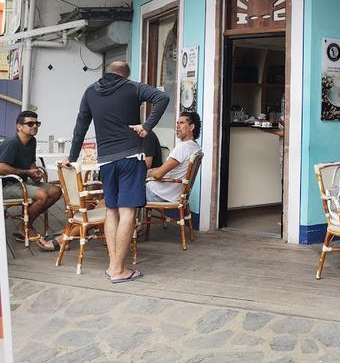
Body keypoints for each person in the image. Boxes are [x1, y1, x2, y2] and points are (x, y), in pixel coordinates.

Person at [64, 61, 169, 284]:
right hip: (131, 157)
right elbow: (163, 98)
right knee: (128, 212)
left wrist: (72, 157)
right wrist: (147, 126)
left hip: (106, 161)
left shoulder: (91, 91)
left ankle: (113, 266)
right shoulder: (132, 87)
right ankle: (119, 270)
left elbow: (80, 125)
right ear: (125, 75)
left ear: (108, 72)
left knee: (111, 211)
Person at [0, 111, 62, 251]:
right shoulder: (11, 143)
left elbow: (30, 164)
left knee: (56, 191)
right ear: (19, 127)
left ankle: (27, 222)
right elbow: (1, 168)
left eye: (37, 123)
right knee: (42, 195)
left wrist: (34, 172)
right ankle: (25, 227)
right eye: (30, 123)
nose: (34, 126)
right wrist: (26, 172)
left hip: (22, 183)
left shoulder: (31, 141)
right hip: (5, 185)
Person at [146, 112, 201, 203]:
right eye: (177, 123)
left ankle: (125, 217)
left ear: (191, 127)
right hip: (173, 194)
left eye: (182, 123)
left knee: (121, 191)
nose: (177, 126)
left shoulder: (183, 147)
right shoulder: (195, 147)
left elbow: (159, 174)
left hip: (159, 193)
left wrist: (145, 173)